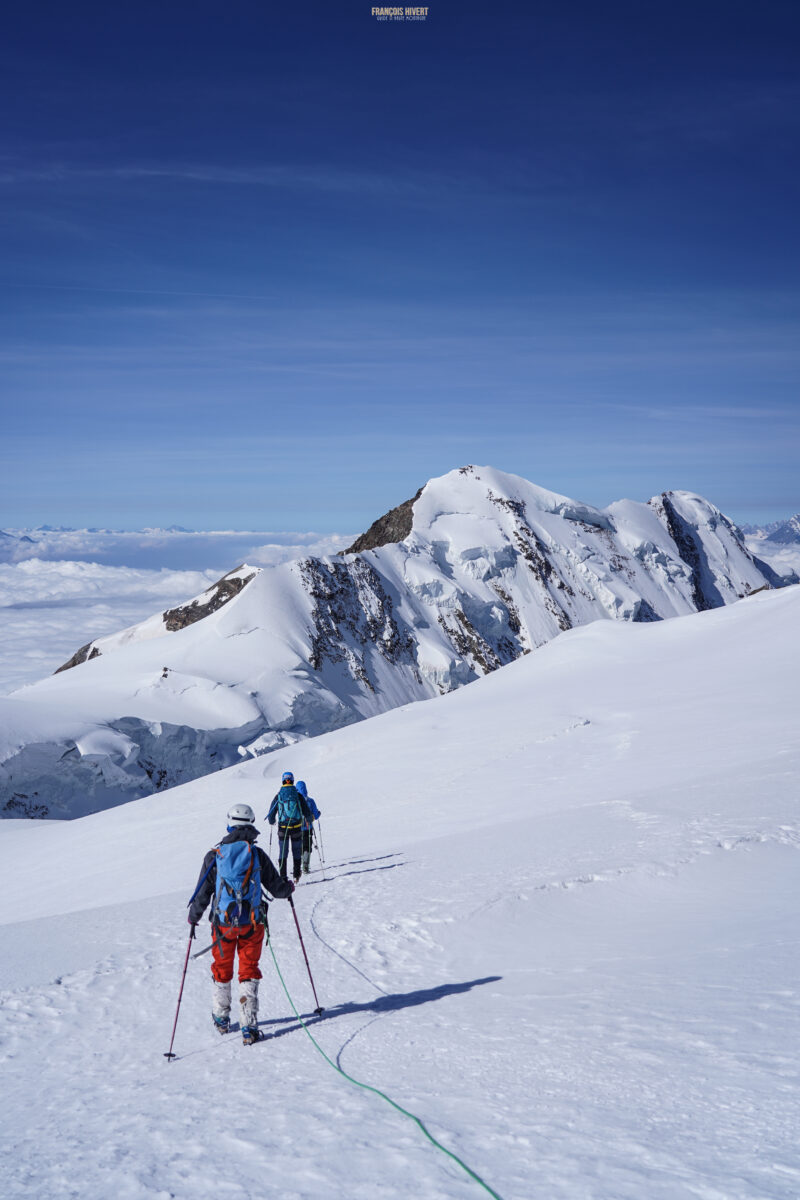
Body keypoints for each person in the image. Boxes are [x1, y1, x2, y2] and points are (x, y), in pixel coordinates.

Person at [187, 802, 294, 1045]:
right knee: (248, 969)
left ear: (229, 824)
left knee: (222, 968)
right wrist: (288, 888)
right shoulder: (256, 854)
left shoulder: (215, 856)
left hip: (222, 925)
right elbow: (277, 889)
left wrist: (193, 918)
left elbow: (203, 893)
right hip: (253, 924)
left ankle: (221, 1018)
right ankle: (249, 1026)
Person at [267, 770, 312, 883]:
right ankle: (296, 875)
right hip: (297, 827)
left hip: (283, 828)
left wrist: (272, 821)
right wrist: (310, 819)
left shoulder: (279, 796)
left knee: (283, 851)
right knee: (296, 850)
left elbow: (271, 814)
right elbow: (306, 811)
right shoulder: (298, 795)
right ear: (292, 781)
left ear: (283, 781)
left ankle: (283, 877)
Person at [295, 780, 321, 875]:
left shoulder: (295, 801)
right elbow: (316, 815)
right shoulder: (310, 801)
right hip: (308, 828)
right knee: (307, 846)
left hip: (297, 828)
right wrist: (318, 814)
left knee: (299, 846)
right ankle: (305, 865)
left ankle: (299, 866)